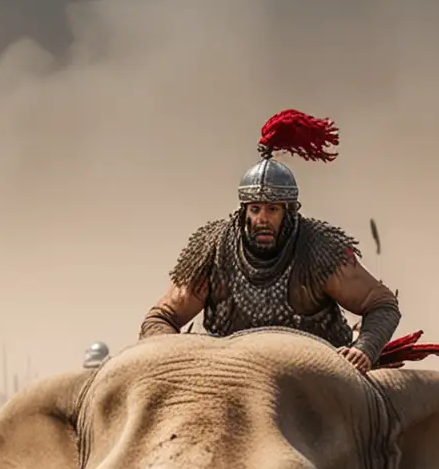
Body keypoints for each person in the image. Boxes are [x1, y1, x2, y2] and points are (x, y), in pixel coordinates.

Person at [139, 109, 401, 373]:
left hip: (313, 378)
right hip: (230, 376)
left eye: (272, 209)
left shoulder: (319, 249)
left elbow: (382, 305)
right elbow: (162, 317)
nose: (262, 219)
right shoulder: (215, 249)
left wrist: (363, 349)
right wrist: (171, 358)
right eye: (255, 210)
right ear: (244, 212)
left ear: (288, 212)